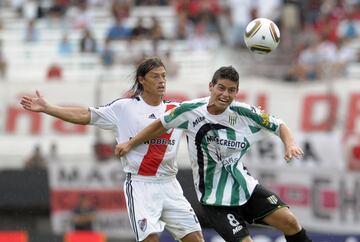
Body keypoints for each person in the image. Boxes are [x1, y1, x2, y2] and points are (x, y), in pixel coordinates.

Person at [114, 66, 313, 242]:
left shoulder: (244, 112)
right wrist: (131, 144)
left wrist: (290, 145)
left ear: (237, 92)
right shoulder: (190, 111)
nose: (225, 94)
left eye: (231, 90)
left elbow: (279, 125)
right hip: (215, 201)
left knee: (290, 222)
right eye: (221, 88)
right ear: (211, 86)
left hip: (245, 188)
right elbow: (159, 125)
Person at [19, 57, 204, 242]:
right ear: (141, 79)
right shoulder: (124, 108)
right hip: (141, 185)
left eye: (164, 76)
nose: (161, 81)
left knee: (196, 238)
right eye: (155, 76)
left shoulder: (176, 110)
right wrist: (48, 108)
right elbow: (85, 115)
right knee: (151, 239)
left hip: (170, 184)